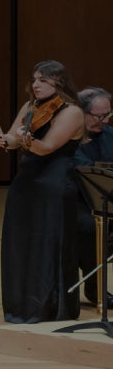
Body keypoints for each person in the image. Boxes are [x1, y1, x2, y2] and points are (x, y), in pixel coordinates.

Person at [0, 60, 85, 324]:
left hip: (54, 184)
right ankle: (22, 306)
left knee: (49, 243)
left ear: (60, 82)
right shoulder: (30, 106)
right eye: (34, 79)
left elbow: (47, 147)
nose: (36, 85)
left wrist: (24, 140)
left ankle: (50, 308)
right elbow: (13, 138)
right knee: (21, 242)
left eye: (43, 80)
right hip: (27, 182)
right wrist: (3, 140)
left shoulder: (72, 112)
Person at [74, 87, 113, 307]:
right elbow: (83, 170)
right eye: (99, 116)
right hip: (76, 202)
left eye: (108, 115)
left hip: (107, 201)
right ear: (81, 112)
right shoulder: (70, 137)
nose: (105, 121)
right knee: (91, 227)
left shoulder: (110, 135)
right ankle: (95, 288)